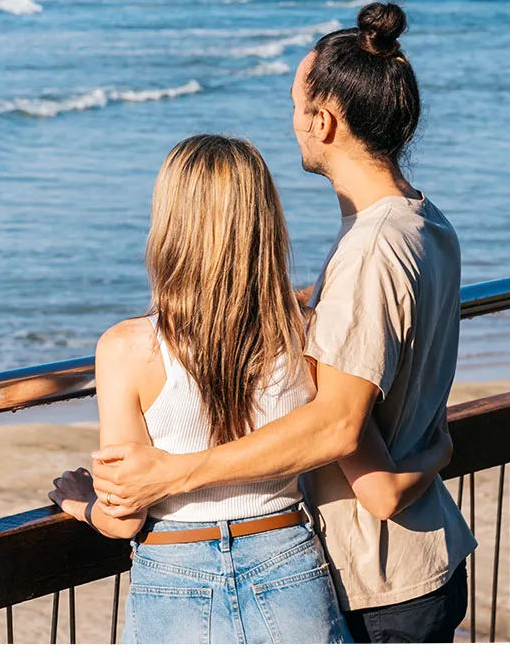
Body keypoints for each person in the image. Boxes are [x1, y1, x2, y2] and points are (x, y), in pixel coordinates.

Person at [89, 2, 477, 645]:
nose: (292, 122)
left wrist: (173, 473)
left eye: (295, 105)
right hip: (409, 560)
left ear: (323, 121)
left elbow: (337, 426)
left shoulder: (370, 251)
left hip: (372, 574)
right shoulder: (422, 221)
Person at [46, 132, 451, 644]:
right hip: (286, 562)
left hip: (174, 572)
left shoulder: (127, 348)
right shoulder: (304, 332)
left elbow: (124, 517)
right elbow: (345, 436)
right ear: (263, 223)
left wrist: (81, 504)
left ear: (169, 223)